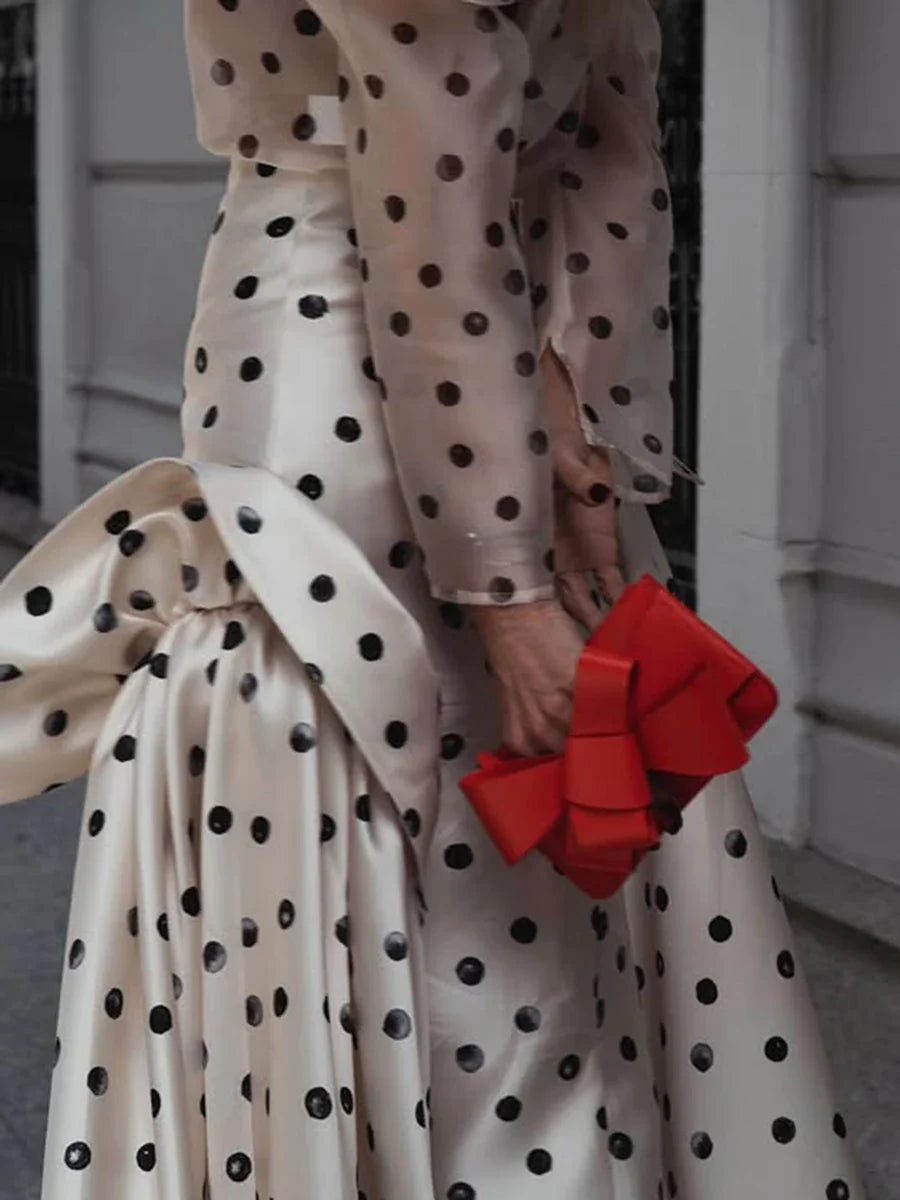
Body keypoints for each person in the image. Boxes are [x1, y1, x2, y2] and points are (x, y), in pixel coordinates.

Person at [0, 2, 865, 1198]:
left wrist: (538, 497)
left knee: (458, 860)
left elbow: (490, 141)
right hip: (424, 364)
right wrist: (544, 489)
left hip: (379, 347)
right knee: (502, 868)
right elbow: (545, 145)